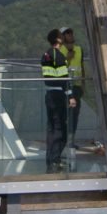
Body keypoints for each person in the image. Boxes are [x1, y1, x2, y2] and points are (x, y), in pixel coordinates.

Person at [41, 28, 76, 172]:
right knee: (60, 128)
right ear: (59, 40)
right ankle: (55, 160)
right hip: (58, 96)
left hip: (49, 94)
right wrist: (71, 96)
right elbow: (64, 79)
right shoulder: (59, 56)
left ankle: (51, 159)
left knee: (51, 128)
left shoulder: (46, 55)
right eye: (62, 36)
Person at [61, 27, 85, 147]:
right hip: (64, 85)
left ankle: (71, 140)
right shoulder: (60, 51)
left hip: (76, 85)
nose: (70, 36)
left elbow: (82, 65)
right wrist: (67, 59)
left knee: (74, 114)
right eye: (67, 34)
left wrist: (83, 84)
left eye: (71, 34)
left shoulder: (79, 50)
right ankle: (62, 139)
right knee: (64, 114)